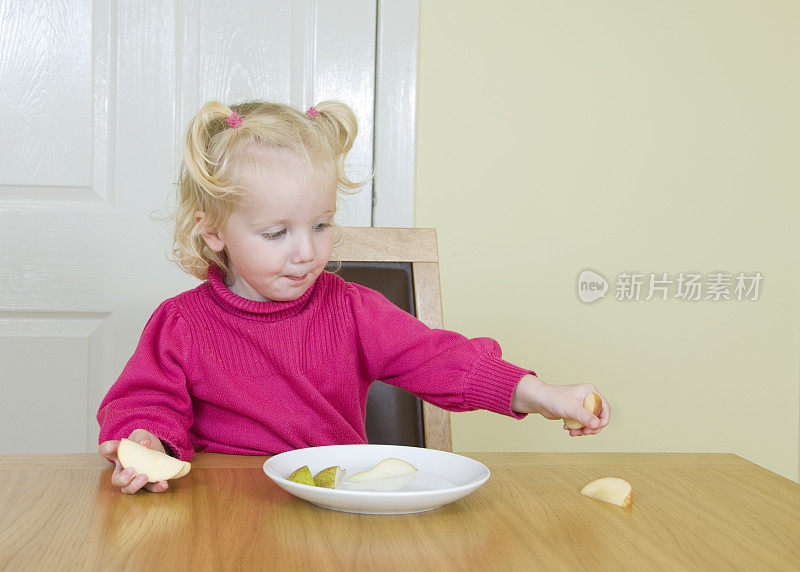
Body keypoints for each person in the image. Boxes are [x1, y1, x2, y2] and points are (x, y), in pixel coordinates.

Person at [97, 100, 610, 494]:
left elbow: (443, 360)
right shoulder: (181, 323)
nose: (305, 252)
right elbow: (146, 401)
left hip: (334, 498)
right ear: (212, 233)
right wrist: (144, 441)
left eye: (321, 225)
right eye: (277, 233)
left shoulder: (351, 309)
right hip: (221, 503)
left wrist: (539, 392)